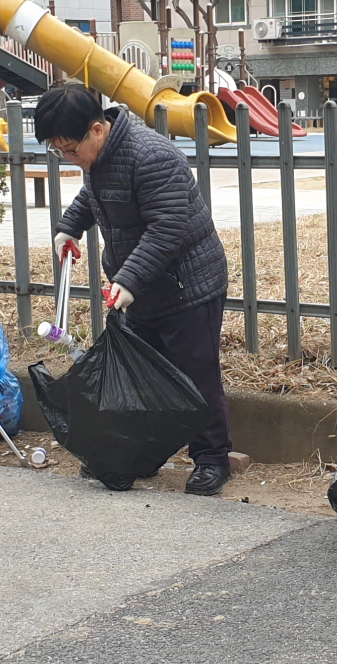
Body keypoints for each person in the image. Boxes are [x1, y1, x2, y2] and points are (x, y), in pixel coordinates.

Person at [35, 82, 234, 495]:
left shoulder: (152, 156)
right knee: (142, 378)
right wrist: (69, 228)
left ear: (97, 129)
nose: (69, 158)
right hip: (145, 287)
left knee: (195, 375)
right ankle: (142, 455)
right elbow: (94, 196)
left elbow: (168, 227)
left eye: (70, 149)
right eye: (59, 152)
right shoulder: (99, 157)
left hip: (188, 285)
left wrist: (128, 279)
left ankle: (212, 458)